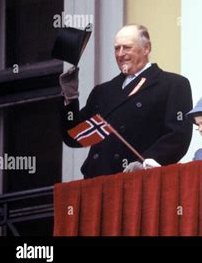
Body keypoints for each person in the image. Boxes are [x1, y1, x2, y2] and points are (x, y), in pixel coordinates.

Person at [60, 24, 193, 178]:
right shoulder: (103, 91)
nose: (121, 54)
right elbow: (75, 137)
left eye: (127, 47)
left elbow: (178, 137)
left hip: (141, 182)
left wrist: (145, 163)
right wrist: (70, 97)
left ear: (146, 48)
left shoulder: (172, 84)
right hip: (97, 185)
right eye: (117, 48)